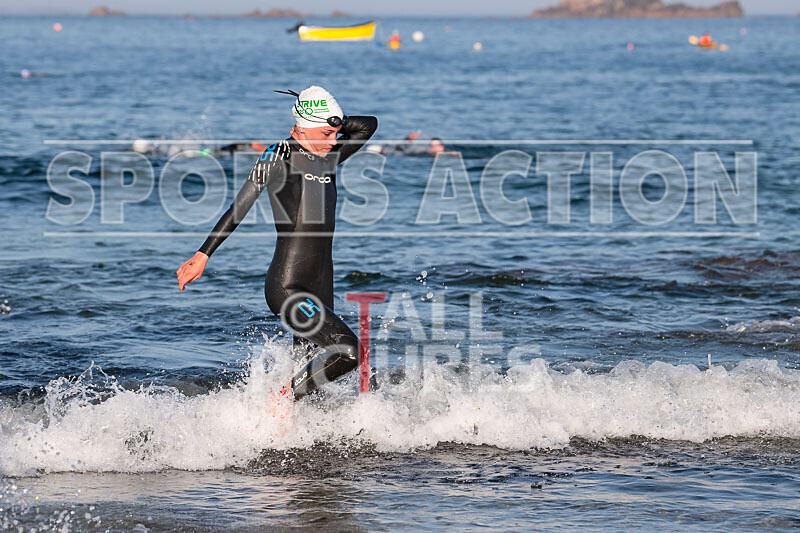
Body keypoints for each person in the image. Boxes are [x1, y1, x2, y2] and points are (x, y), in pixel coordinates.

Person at [176, 86, 378, 401]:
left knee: (311, 375)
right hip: (287, 287)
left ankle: (282, 428)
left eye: (335, 134)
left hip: (321, 286)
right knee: (349, 352)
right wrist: (203, 254)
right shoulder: (278, 155)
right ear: (302, 128)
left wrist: (333, 121)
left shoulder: (327, 158)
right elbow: (239, 206)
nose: (333, 141)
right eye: (325, 133)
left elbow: (368, 124)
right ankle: (279, 401)